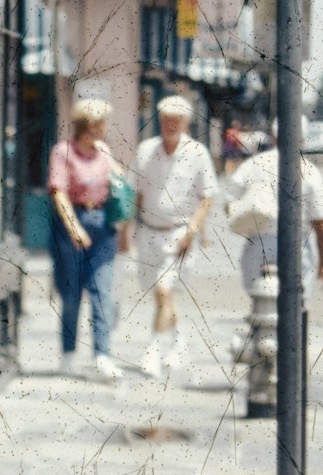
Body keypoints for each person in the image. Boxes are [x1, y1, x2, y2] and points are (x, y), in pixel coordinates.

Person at [129, 95, 216, 378]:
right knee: (160, 295)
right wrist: (128, 230)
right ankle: (180, 341)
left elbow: (206, 198)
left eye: (176, 121)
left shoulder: (198, 152)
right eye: (166, 120)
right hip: (148, 231)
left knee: (164, 290)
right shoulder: (146, 150)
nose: (170, 125)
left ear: (186, 123)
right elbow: (137, 193)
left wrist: (193, 232)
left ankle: (153, 350)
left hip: (179, 234)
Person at [46, 98, 123, 380]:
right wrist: (74, 227)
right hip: (72, 224)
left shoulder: (104, 152)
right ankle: (68, 353)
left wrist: (110, 159)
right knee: (71, 294)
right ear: (89, 125)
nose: (105, 128)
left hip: (102, 225)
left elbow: (120, 184)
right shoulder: (63, 151)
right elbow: (58, 191)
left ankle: (102, 355)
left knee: (102, 292)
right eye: (102, 123)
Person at [225, 117, 323, 302]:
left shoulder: (253, 164)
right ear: (304, 139)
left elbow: (229, 202)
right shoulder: (310, 171)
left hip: (258, 246)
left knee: (259, 303)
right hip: (298, 247)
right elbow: (321, 224)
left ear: (273, 137)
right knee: (298, 305)